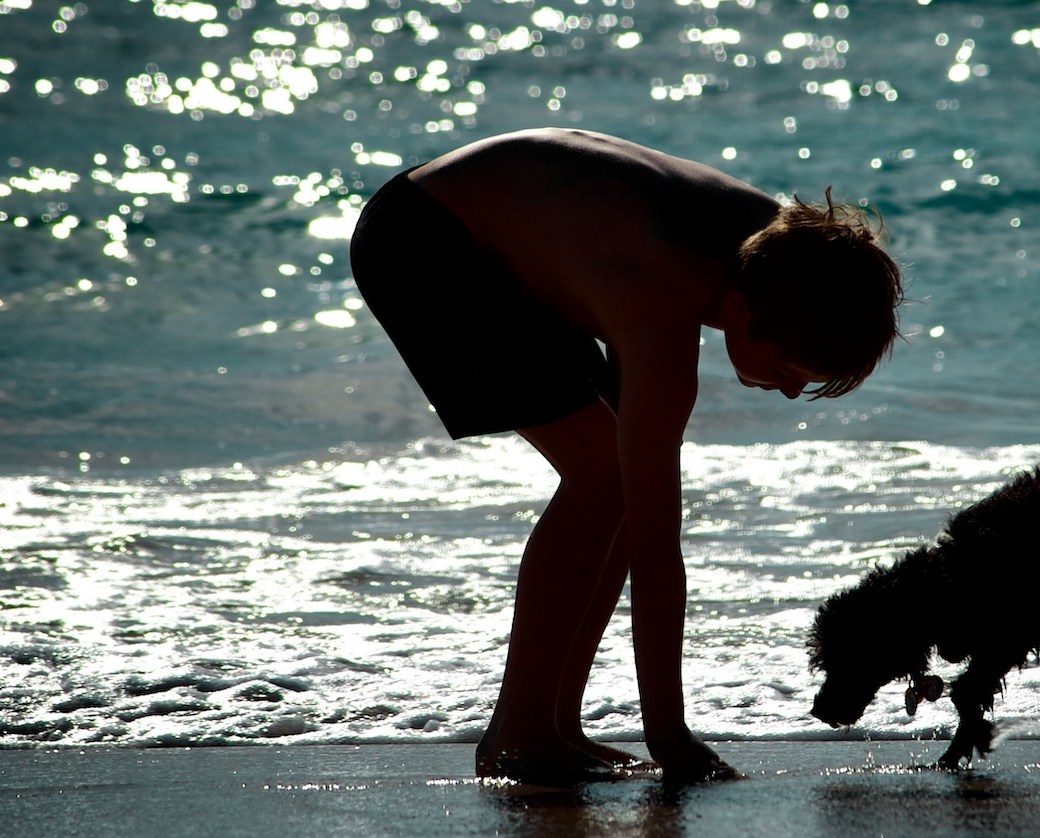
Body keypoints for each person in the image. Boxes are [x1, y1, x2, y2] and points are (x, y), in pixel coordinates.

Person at [348, 128, 903, 785]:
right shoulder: (658, 298)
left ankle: (556, 726)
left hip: (536, 229)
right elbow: (655, 547)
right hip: (426, 238)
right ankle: (519, 735)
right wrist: (669, 736)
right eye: (786, 368)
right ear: (738, 311)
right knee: (606, 479)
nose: (788, 388)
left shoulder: (792, 252)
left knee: (610, 479)